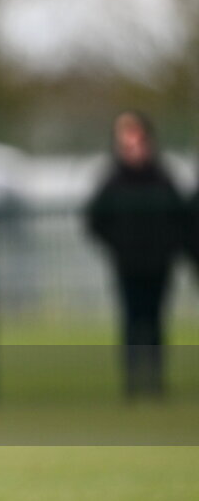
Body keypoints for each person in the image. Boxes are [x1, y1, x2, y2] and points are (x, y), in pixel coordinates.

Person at [85, 111, 185, 398]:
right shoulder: (113, 180)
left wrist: (169, 246)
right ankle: (132, 382)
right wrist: (118, 245)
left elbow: (181, 217)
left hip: (159, 265)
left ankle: (155, 381)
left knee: (155, 322)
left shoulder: (162, 177)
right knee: (131, 321)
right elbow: (95, 220)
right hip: (127, 265)